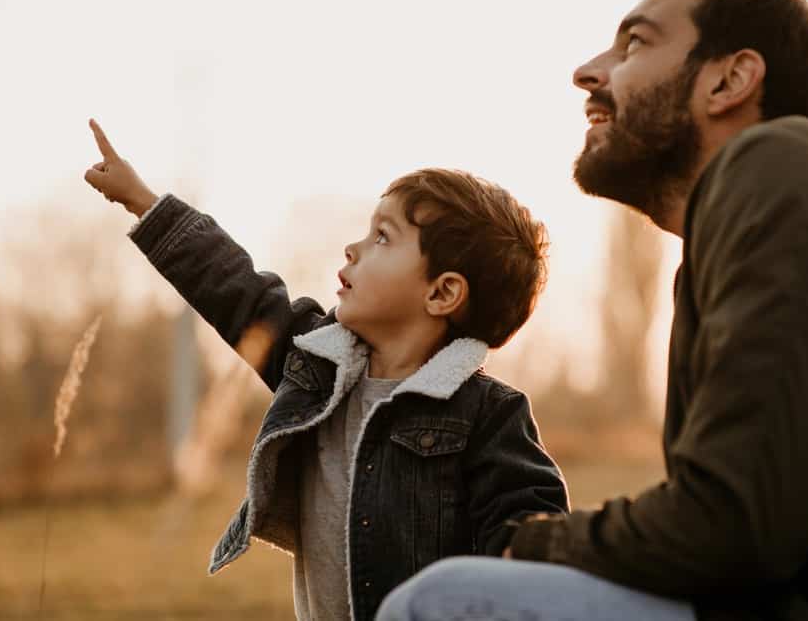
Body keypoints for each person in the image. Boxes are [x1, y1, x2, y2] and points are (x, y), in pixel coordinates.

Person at [377, 0, 808, 620]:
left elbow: (732, 525)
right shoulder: (739, 236)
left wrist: (534, 544)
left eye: (635, 44)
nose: (589, 72)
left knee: (441, 601)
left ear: (730, 79)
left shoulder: (781, 164)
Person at [82, 121, 569, 621]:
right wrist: (142, 200)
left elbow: (529, 526)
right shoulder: (315, 365)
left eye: (383, 237)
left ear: (442, 293)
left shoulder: (487, 414)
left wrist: (522, 563)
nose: (352, 248)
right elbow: (233, 286)